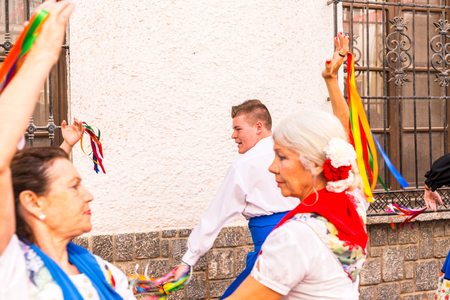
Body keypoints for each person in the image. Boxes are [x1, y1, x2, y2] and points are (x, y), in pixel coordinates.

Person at [174, 33, 353, 299]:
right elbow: (343, 136)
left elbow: (213, 219)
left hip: (272, 251)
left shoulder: (288, 235)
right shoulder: (348, 210)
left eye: (237, 128)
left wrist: (187, 261)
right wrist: (331, 80)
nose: (273, 168)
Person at [0, 1, 136, 299]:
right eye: (75, 186)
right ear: (33, 203)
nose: (89, 195)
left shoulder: (107, 275)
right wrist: (42, 57)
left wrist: (67, 145)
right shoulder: (12, 272)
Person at [225, 109, 368, 300]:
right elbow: (345, 142)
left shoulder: (294, 236)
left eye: (282, 157)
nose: (272, 167)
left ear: (316, 164)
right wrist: (332, 83)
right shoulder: (353, 206)